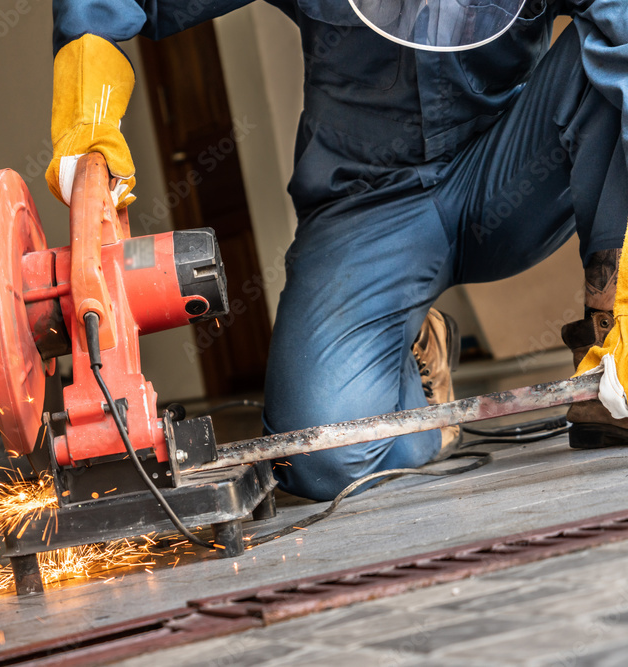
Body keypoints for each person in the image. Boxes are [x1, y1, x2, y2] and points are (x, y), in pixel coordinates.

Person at [45, 0, 628, 500]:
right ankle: (415, 365)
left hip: (511, 172)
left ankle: (616, 336)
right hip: (370, 205)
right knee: (322, 460)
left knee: (612, 45)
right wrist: (86, 120)